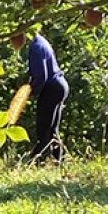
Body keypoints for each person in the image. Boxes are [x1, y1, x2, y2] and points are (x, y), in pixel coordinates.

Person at [27, 32, 69, 163]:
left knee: (43, 129)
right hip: (61, 85)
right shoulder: (41, 41)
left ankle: (35, 162)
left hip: (51, 88)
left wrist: (30, 91)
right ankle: (60, 162)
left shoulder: (35, 47)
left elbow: (41, 76)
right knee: (52, 130)